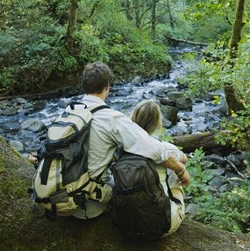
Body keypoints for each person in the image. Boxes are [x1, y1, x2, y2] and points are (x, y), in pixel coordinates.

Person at [72, 61, 190, 220]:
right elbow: (155, 150)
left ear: (84, 86)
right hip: (89, 205)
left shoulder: (70, 112)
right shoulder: (111, 118)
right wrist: (181, 167)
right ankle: (172, 205)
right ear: (108, 86)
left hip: (61, 195)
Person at [130, 99, 187, 236]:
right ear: (157, 123)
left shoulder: (122, 147)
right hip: (161, 226)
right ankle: (174, 202)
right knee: (176, 168)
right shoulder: (163, 147)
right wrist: (181, 170)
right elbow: (184, 158)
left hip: (128, 223)